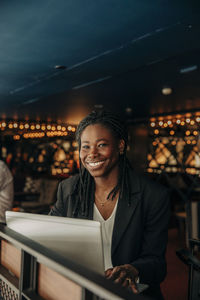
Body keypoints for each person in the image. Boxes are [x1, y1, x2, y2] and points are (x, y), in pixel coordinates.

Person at [49, 110, 170, 299]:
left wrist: (133, 270)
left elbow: (157, 264)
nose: (92, 154)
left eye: (102, 145)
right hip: (81, 291)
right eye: (85, 146)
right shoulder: (68, 189)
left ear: (120, 146)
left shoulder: (153, 196)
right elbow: (48, 235)